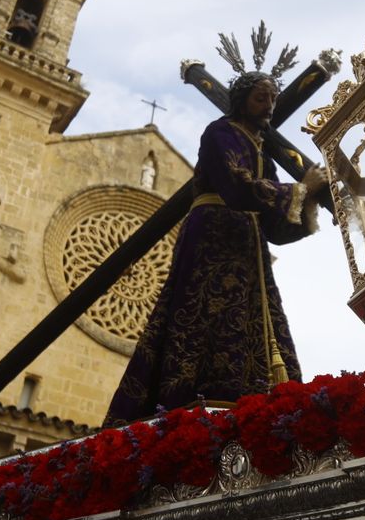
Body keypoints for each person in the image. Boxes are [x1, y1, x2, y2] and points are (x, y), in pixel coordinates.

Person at [105, 71, 327, 423]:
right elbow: (236, 186)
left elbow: (275, 229)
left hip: (249, 249)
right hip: (212, 238)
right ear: (241, 100)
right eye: (261, 98)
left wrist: (310, 199)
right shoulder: (219, 133)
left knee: (253, 323)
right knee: (207, 317)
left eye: (273, 99)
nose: (269, 106)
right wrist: (299, 189)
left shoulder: (263, 154)